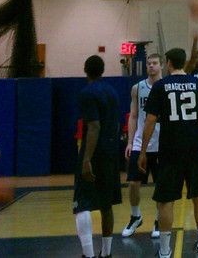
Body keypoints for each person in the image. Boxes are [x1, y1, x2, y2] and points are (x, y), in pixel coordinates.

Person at [140, 47, 198, 258]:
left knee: (165, 200)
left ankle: (164, 252)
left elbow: (150, 120)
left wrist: (143, 151)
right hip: (194, 148)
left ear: (169, 63)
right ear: (183, 62)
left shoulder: (160, 86)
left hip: (170, 149)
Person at [74, 55, 122, 258]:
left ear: (85, 69)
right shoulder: (112, 91)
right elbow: (117, 124)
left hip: (94, 153)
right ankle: (107, 253)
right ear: (103, 70)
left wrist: (86, 159)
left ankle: (88, 254)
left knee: (82, 204)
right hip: (111, 152)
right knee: (106, 203)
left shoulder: (87, 93)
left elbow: (94, 126)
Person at [122, 52, 163, 238]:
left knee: (161, 185)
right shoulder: (137, 88)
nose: (151, 66)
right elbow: (134, 116)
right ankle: (135, 216)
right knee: (132, 183)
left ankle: (158, 220)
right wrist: (130, 142)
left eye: (155, 63)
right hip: (140, 143)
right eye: (149, 63)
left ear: (162, 65)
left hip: (161, 144)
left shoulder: (166, 88)